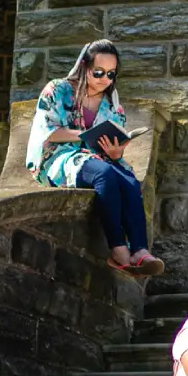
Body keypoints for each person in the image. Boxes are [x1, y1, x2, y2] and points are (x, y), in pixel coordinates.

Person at [26, 39, 162, 277]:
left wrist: (115, 152)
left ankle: (140, 250)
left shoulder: (112, 103)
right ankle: (119, 251)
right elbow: (47, 132)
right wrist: (84, 135)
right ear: (84, 66)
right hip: (57, 157)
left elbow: (114, 145)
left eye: (111, 74)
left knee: (129, 181)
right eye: (98, 72)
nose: (104, 79)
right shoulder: (57, 90)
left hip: (97, 158)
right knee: (105, 173)